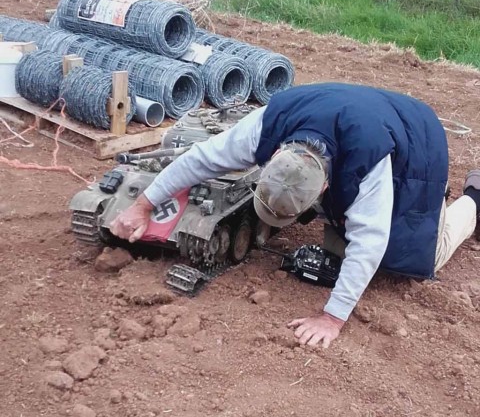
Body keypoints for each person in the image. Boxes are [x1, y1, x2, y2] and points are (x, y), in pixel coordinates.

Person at [110, 83, 480, 348]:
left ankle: (473, 199)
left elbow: (370, 241)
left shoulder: (368, 166)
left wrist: (332, 318)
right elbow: (199, 159)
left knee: (406, 255)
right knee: (340, 244)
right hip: (347, 112)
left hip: (413, 139)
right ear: (271, 159)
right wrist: (143, 205)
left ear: (322, 190)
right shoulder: (262, 128)